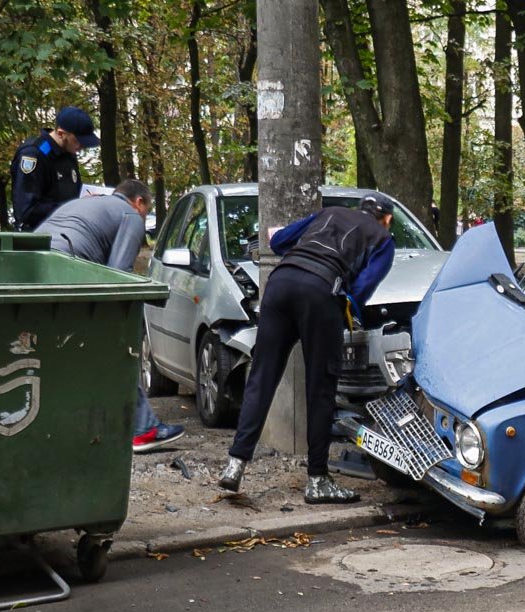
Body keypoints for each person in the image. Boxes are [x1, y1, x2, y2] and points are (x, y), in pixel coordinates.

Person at [219, 195, 396, 504]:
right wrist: (342, 305)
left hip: (280, 283)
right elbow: (361, 290)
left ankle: (235, 464)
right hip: (321, 291)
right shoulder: (382, 239)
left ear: (359, 210)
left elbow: (280, 241)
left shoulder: (329, 213)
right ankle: (317, 480)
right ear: (387, 219)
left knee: (262, 377)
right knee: (321, 388)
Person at [35, 180, 186, 453]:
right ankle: (143, 430)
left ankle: (49, 427)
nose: (143, 216)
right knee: (117, 350)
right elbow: (118, 273)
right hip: (67, 270)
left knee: (52, 354)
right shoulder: (129, 215)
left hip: (34, 266)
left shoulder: (86, 203)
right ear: (139, 202)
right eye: (146, 209)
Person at [11, 106, 100, 231]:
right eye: (78, 141)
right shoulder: (33, 155)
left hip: (67, 232)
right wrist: (74, 207)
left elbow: (73, 194)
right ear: (60, 134)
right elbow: (27, 211)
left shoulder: (69, 154)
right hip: (37, 238)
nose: (82, 146)